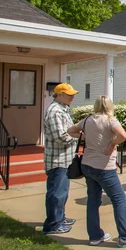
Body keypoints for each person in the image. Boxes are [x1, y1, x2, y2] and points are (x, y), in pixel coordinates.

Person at [68, 96, 126, 248]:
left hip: (88, 166)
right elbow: (123, 135)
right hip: (104, 168)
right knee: (119, 199)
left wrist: (83, 136)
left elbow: (70, 130)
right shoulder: (110, 120)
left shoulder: (88, 119)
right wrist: (112, 143)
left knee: (93, 200)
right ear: (110, 106)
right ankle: (125, 237)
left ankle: (95, 236)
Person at [42, 83, 79, 235]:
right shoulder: (55, 111)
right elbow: (60, 137)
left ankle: (60, 218)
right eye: (69, 94)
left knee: (62, 193)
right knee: (56, 193)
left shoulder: (63, 109)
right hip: (58, 159)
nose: (73, 97)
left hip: (65, 159)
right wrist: (79, 136)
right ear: (60, 95)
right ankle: (52, 225)